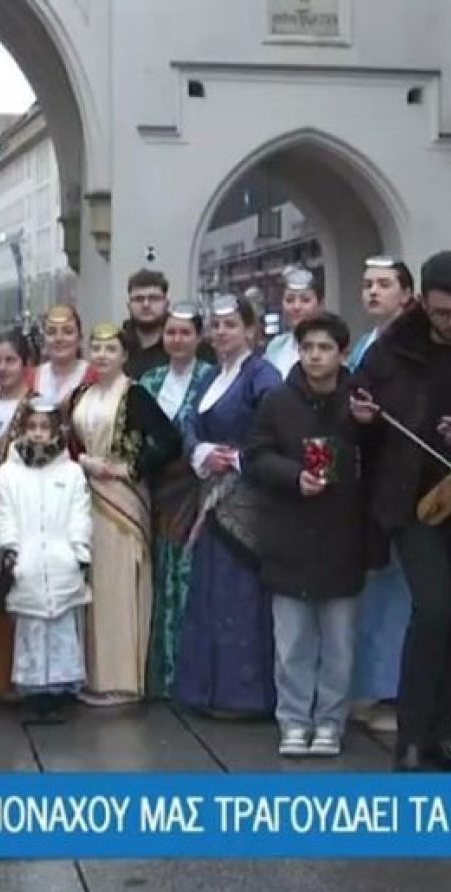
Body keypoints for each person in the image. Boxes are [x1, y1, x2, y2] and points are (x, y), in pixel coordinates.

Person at [351, 251, 451, 772]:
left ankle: (441, 734)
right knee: (433, 610)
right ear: (422, 302)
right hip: (411, 502)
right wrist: (362, 418)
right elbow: (362, 428)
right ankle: (411, 738)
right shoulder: (391, 349)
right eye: (443, 313)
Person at [247, 312, 365, 757]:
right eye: (308, 348)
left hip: (342, 537)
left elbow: (377, 456)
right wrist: (293, 476)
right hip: (289, 535)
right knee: (292, 641)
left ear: (342, 353)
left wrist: (365, 426)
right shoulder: (278, 401)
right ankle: (294, 720)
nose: (315, 356)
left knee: (339, 642)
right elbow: (255, 455)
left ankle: (330, 722)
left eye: (325, 348)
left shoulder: (359, 400)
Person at [174, 295, 281, 716]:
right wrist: (199, 451)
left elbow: (274, 431)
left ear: (251, 330)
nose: (221, 333)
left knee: (243, 596)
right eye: (215, 325)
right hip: (212, 498)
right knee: (210, 595)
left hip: (248, 502)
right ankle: (208, 690)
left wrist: (237, 458)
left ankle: (247, 695)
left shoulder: (263, 376)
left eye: (230, 324)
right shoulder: (209, 378)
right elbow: (188, 424)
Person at [68, 324, 181, 704]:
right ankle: (92, 675)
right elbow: (68, 442)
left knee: (119, 582)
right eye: (96, 349)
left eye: (110, 349)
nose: (101, 355)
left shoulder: (135, 395)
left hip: (123, 497)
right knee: (92, 585)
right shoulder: (81, 394)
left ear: (124, 355)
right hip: (86, 494)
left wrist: (130, 468)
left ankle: (123, 678)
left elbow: (169, 440)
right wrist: (83, 460)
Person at [348, 256, 416, 736]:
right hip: (366, 483)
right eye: (368, 284)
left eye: (384, 284)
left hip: (401, 484)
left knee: (397, 590)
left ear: (406, 294)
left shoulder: (412, 346)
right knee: (374, 589)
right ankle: (371, 685)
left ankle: (395, 690)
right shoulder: (365, 343)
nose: (373, 292)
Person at [0, 401, 92, 723]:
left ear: (55, 430)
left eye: (44, 427)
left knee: (61, 628)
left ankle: (60, 693)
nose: (38, 434)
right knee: (32, 630)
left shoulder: (71, 471)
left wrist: (79, 551)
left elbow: (80, 513)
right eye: (31, 427)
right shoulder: (8, 473)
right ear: (22, 429)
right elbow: (2, 513)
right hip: (27, 563)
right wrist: (9, 550)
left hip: (61, 561)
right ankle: (34, 693)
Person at [137, 303, 216, 699]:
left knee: (187, 577)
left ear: (199, 337)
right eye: (171, 333)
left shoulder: (210, 378)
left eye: (186, 333)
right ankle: (160, 673)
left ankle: (189, 674)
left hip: (194, 487)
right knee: (158, 576)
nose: (178, 340)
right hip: (155, 488)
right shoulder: (150, 380)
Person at [0, 330, 38, 699]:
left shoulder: (38, 408)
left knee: (21, 590)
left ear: (25, 364)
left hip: (25, 514)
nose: (2, 368)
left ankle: (26, 676)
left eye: (10, 360)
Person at [122, 269, 214, 379]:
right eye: (138, 299)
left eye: (154, 298)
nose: (146, 304)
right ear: (129, 305)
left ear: (167, 303)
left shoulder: (192, 346)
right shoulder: (117, 346)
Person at [263, 268, 324, 378]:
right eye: (290, 300)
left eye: (305, 300)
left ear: (320, 304)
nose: (296, 307)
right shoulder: (276, 346)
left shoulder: (329, 345)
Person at [34, 304, 95, 408]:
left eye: (68, 332)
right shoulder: (29, 378)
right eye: (51, 332)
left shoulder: (96, 377)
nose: (59, 338)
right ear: (43, 340)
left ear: (80, 338)